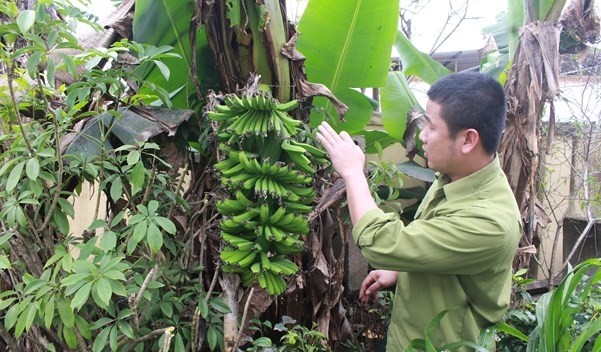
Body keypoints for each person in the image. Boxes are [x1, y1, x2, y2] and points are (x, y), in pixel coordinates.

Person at [316, 72, 522, 351]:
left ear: (468, 140)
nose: (422, 136)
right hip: (405, 337)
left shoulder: (490, 221)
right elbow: (445, 250)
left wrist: (353, 174)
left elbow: (381, 241)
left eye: (432, 127)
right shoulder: (454, 175)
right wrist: (400, 270)